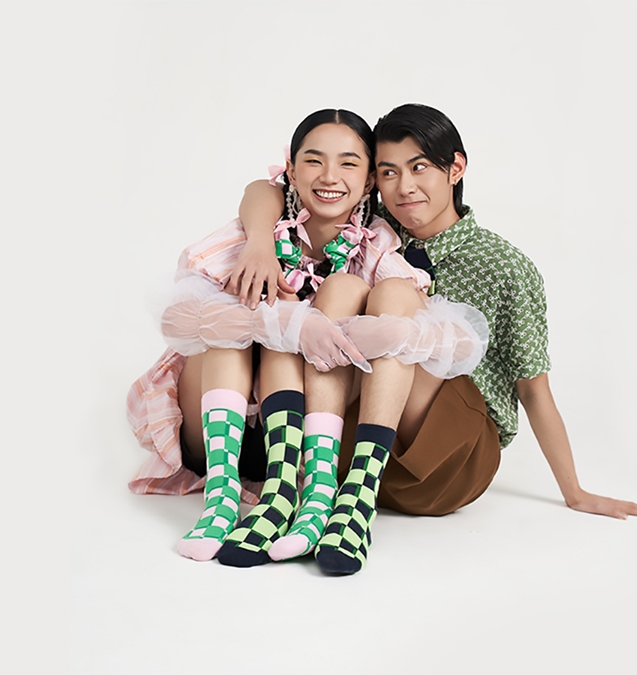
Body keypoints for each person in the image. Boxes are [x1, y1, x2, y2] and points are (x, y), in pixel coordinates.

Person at [232, 103, 637, 574]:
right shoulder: (367, 227)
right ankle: (315, 491)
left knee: (394, 295)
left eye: (419, 168)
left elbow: (534, 389)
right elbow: (267, 190)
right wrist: (260, 241)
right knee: (334, 296)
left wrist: (574, 492)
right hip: (356, 439)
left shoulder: (504, 265)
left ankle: (346, 494)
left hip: (448, 455)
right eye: (388, 172)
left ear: (455, 168)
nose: (403, 187)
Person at [127, 108, 487, 567]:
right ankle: (220, 500)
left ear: (369, 181)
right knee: (234, 307)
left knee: (354, 290)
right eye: (314, 161)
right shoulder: (256, 231)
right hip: (221, 427)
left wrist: (383, 331)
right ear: (291, 172)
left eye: (349, 163)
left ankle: (319, 495)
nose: (329, 176)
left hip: (306, 433)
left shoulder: (374, 245)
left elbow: (451, 336)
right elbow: (176, 318)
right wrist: (285, 315)